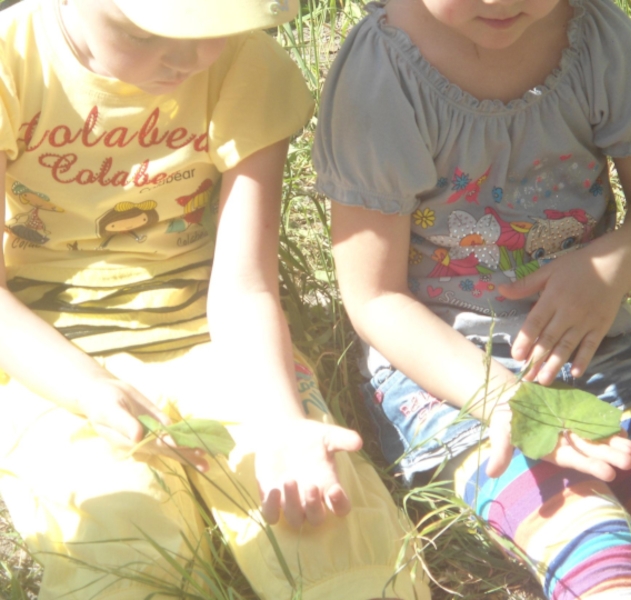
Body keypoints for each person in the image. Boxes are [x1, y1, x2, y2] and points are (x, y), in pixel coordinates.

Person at [312, 0, 631, 598]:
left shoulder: (597, 41)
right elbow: (375, 297)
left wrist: (604, 269)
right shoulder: (382, 76)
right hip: (451, 380)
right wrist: (503, 401)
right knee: (595, 549)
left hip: (599, 349)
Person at [0, 0, 430, 598]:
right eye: (145, 34)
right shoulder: (12, 61)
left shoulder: (244, 65)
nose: (190, 59)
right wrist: (88, 388)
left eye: (216, 31)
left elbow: (244, 285)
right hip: (47, 354)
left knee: (321, 514)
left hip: (213, 337)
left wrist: (282, 419)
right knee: (118, 536)